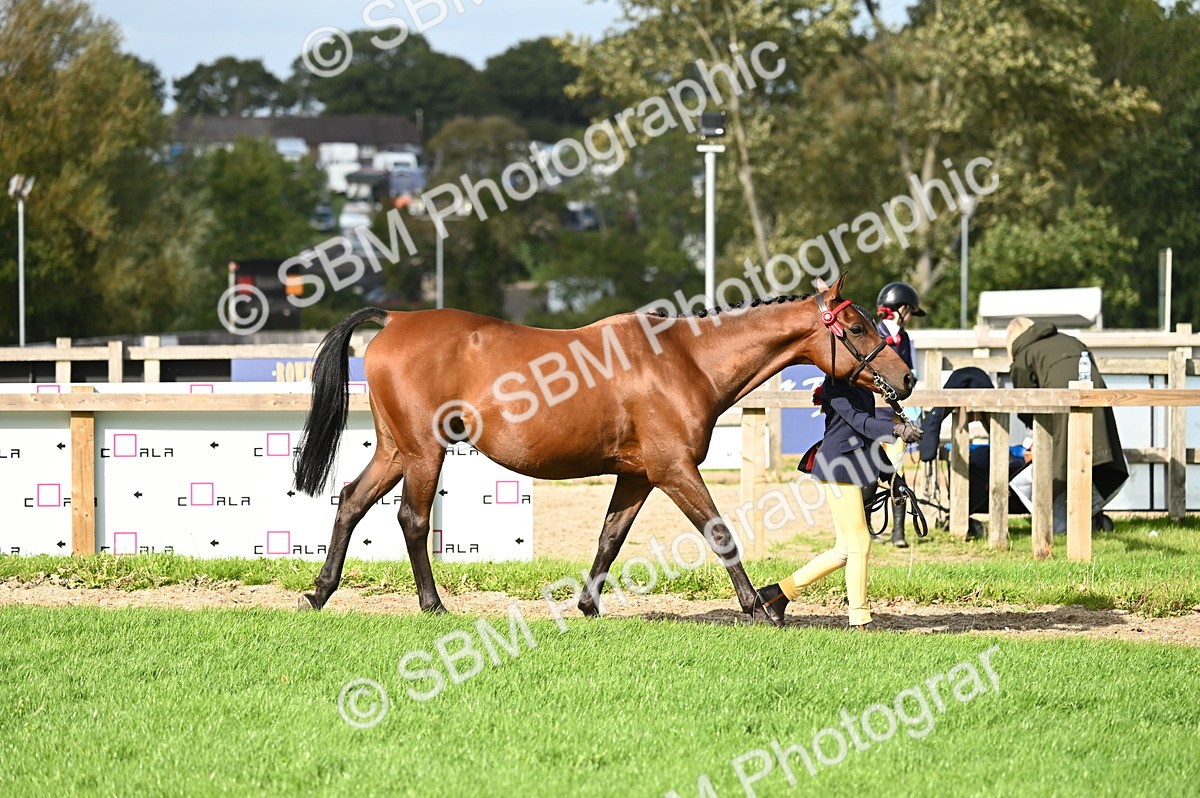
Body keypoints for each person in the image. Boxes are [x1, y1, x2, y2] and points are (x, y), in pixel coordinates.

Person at [757, 375, 922, 630]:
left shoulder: (862, 389)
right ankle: (859, 619)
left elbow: (868, 439)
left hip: (852, 467)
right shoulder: (836, 386)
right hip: (838, 467)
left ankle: (776, 595)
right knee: (860, 542)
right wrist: (896, 429)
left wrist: (892, 477)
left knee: (844, 550)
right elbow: (860, 423)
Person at [1005, 318, 1129, 533]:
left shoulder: (1023, 354)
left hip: (1061, 400)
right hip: (1095, 398)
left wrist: (1034, 432)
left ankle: (1053, 524)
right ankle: (1089, 515)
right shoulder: (1071, 340)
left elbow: (1024, 400)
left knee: (1060, 464)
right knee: (1093, 456)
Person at [870, 281, 926, 547]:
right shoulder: (871, 333)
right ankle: (868, 527)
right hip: (871, 413)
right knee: (869, 471)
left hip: (894, 417)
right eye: (911, 312)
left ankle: (898, 532)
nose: (911, 317)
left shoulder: (906, 340)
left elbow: (911, 374)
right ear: (902, 309)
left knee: (895, 470)